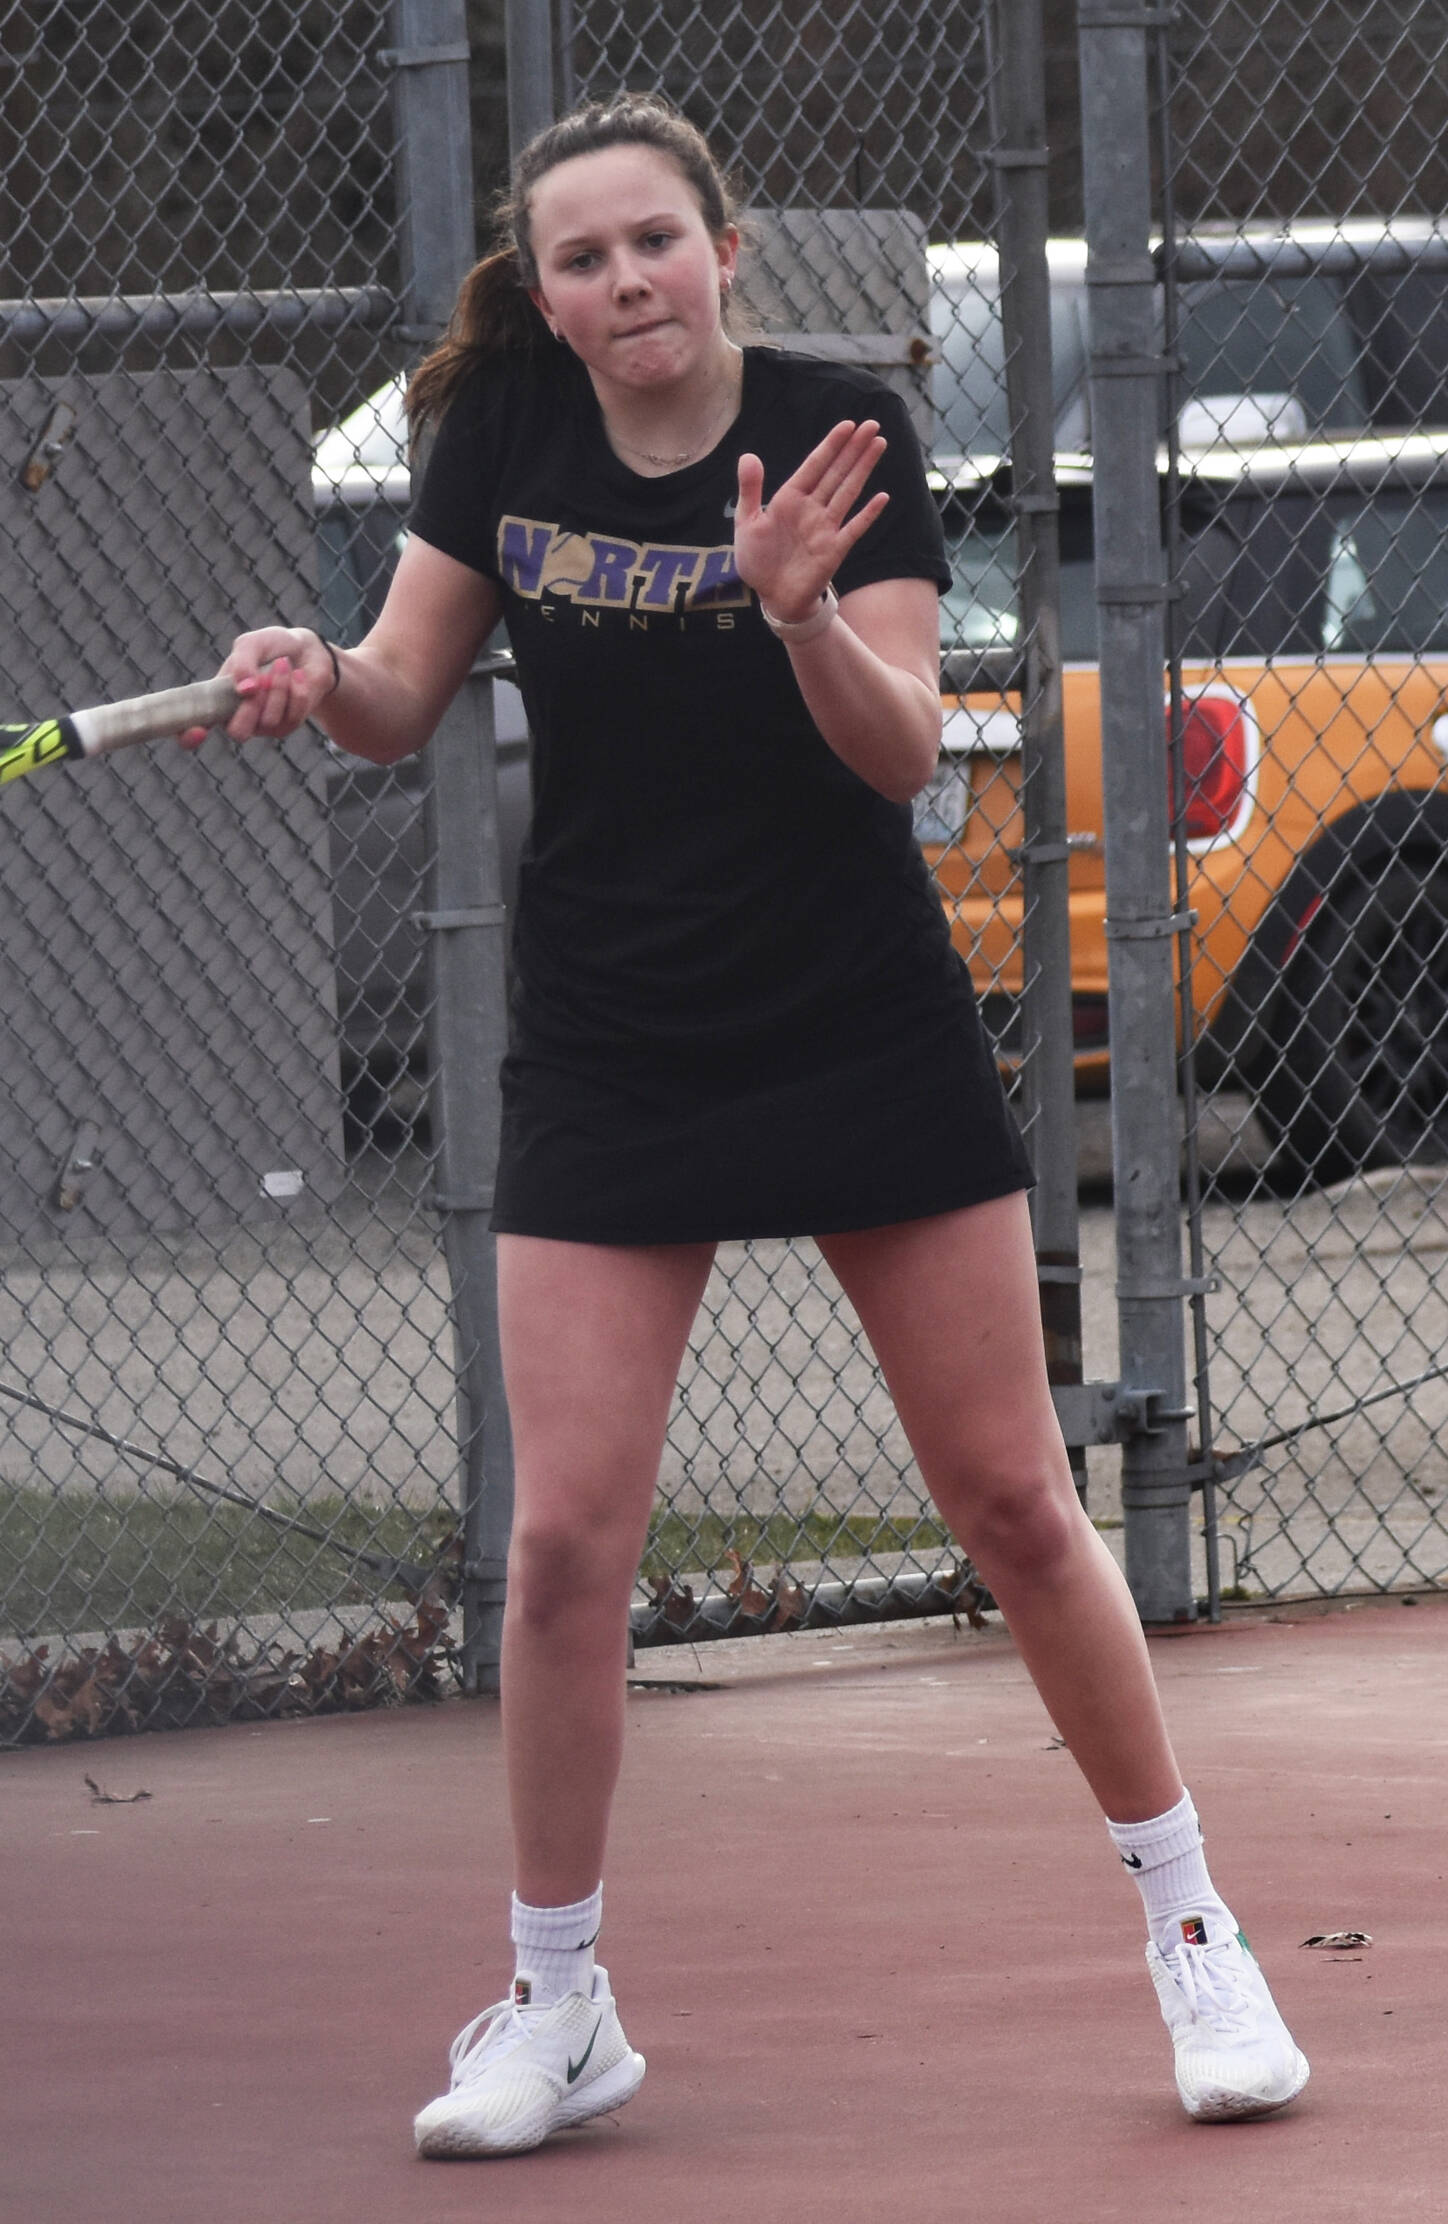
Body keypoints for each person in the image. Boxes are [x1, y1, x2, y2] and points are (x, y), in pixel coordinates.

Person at [197, 91, 1309, 2158]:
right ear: (541, 290)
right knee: (558, 1546)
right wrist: (308, 668)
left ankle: (1192, 1927)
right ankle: (555, 1997)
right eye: (580, 258)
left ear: (722, 247)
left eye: (651, 244)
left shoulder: (827, 435)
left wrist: (792, 599)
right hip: (611, 1035)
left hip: (852, 1018)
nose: (621, 284)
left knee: (1005, 1496)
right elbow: (396, 689)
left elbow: (897, 750)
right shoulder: (502, 434)